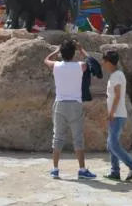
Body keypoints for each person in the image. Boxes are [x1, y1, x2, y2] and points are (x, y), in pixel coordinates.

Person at [43, 39, 97, 180]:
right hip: (75, 104)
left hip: (60, 103)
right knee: (78, 138)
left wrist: (56, 51)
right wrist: (82, 49)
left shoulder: (56, 66)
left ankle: (55, 169)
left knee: (58, 137)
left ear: (62, 53)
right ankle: (82, 169)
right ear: (73, 54)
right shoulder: (80, 66)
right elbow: (91, 61)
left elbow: (46, 60)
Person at [101, 50, 132, 182]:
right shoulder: (115, 75)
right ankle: (115, 172)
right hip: (116, 114)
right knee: (111, 144)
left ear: (109, 62)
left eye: (104, 61)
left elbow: (117, 95)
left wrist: (111, 112)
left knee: (112, 144)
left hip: (117, 115)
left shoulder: (117, 75)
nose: (103, 64)